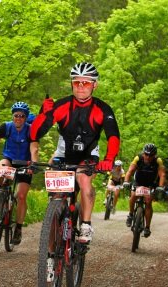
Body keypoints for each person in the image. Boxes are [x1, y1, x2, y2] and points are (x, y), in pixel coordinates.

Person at [30, 62, 121, 243]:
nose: (81, 86)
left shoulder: (103, 109)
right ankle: (51, 245)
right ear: (72, 83)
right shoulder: (61, 105)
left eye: (86, 83)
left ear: (95, 85)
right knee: (56, 194)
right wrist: (43, 114)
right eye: (77, 82)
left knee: (84, 179)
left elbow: (113, 136)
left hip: (87, 155)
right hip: (63, 154)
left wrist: (109, 159)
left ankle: (86, 225)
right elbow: (35, 134)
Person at [0, 101, 33, 245]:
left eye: (21, 116)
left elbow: (35, 149)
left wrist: (33, 164)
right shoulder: (6, 127)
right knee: (2, 167)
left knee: (21, 196)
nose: (18, 118)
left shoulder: (31, 130)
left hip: (25, 163)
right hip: (9, 159)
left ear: (26, 117)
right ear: (13, 116)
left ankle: (18, 228)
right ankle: (1, 194)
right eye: (16, 115)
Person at [123, 143, 166, 238]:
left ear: (154, 155)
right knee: (133, 196)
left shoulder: (158, 161)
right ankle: (130, 215)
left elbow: (162, 174)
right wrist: (126, 181)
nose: (148, 157)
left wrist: (160, 187)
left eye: (151, 155)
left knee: (148, 201)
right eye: (146, 154)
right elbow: (130, 171)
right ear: (143, 153)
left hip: (151, 183)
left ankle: (147, 227)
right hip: (138, 181)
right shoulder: (138, 158)